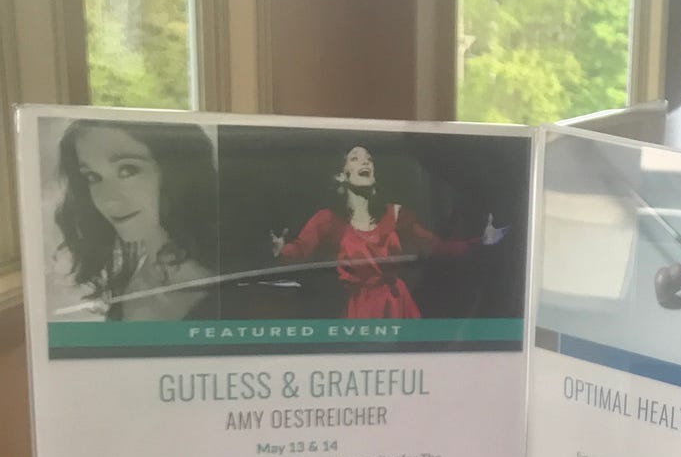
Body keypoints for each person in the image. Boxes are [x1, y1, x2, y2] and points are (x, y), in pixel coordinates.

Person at [270, 143, 506, 320]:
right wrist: (280, 250)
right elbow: (298, 251)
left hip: (400, 309)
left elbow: (435, 247)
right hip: (360, 314)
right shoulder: (327, 221)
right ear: (342, 175)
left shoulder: (396, 215)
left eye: (369, 160)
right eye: (356, 159)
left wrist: (481, 241)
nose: (365, 163)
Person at [49, 118, 219, 322]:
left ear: (178, 170)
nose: (108, 200)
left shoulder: (223, 287)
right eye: (92, 177)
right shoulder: (134, 270)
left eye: (128, 170)